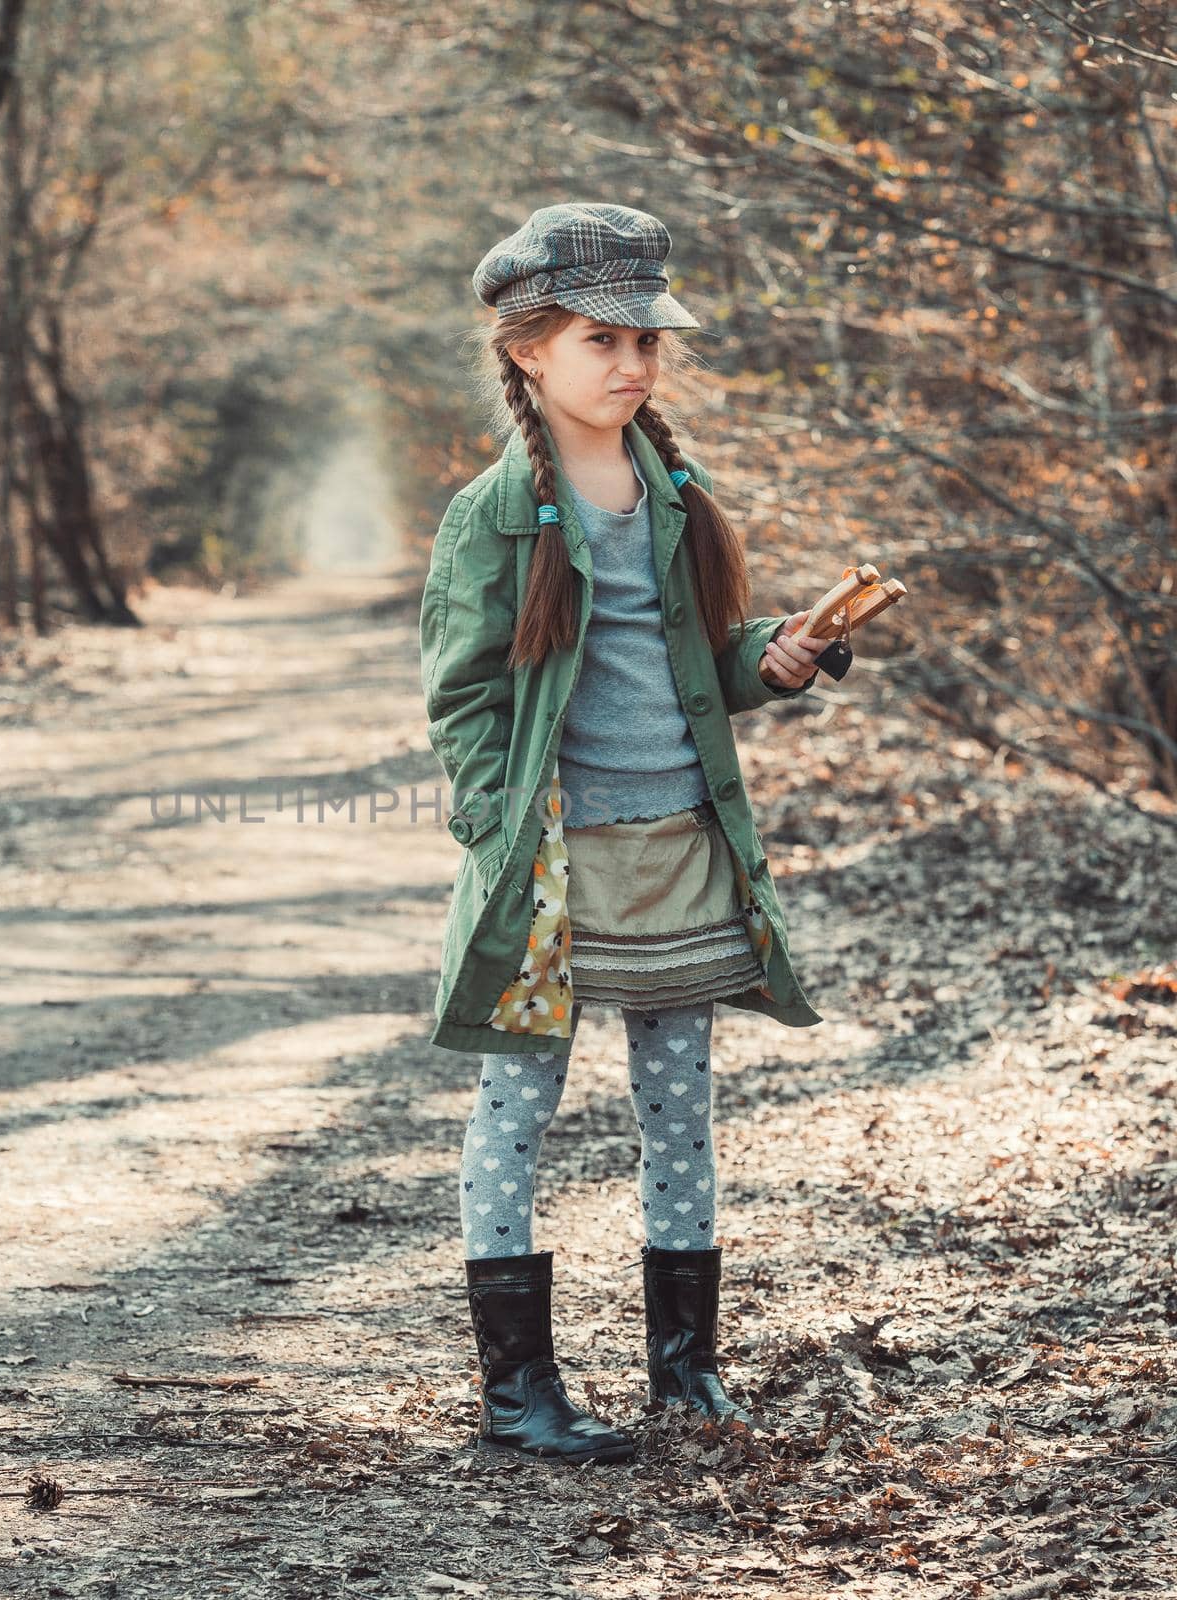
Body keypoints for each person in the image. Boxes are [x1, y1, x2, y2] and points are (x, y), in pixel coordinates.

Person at [421, 202, 830, 1464]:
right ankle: (517, 1395)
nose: (632, 364)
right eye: (602, 339)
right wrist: (503, 836)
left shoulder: (677, 491)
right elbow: (464, 695)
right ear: (529, 349)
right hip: (555, 866)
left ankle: (685, 1371)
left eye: (645, 340)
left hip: (679, 851)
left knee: (678, 1105)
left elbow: (704, 659)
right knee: (517, 1106)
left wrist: (782, 656)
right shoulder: (493, 514)